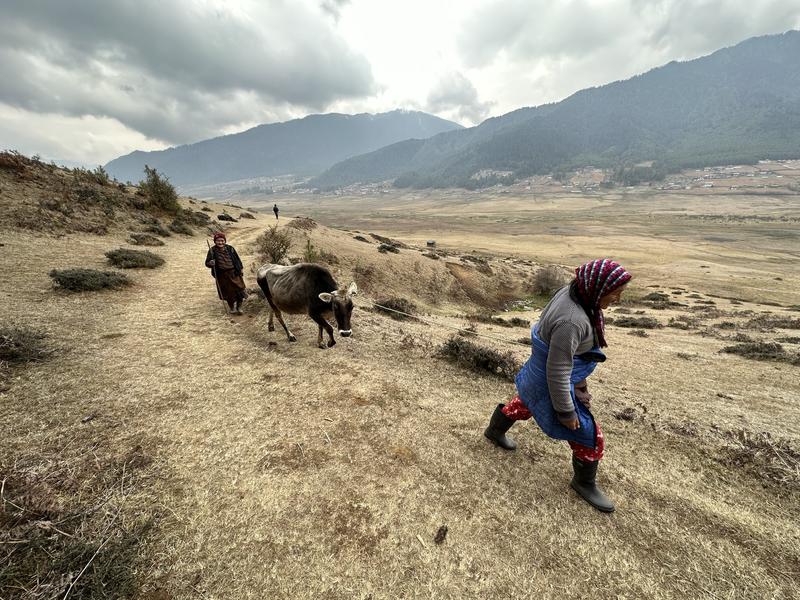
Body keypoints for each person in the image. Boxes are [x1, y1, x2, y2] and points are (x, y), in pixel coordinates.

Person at [484, 258, 632, 513]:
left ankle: (494, 431)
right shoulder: (572, 321)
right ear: (597, 289)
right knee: (588, 434)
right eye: (615, 293)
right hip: (548, 380)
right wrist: (566, 412)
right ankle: (584, 483)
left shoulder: (573, 292)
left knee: (525, 403)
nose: (618, 299)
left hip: (536, 376)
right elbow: (558, 371)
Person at [205, 232, 247, 314]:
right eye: (218, 241)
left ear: (225, 241)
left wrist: (241, 269)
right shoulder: (212, 251)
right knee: (228, 293)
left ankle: (239, 307)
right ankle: (232, 308)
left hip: (234, 273)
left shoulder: (230, 248)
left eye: (222, 240)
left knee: (240, 290)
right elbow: (207, 263)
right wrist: (211, 263)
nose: (220, 242)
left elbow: (237, 259)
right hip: (222, 275)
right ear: (215, 241)